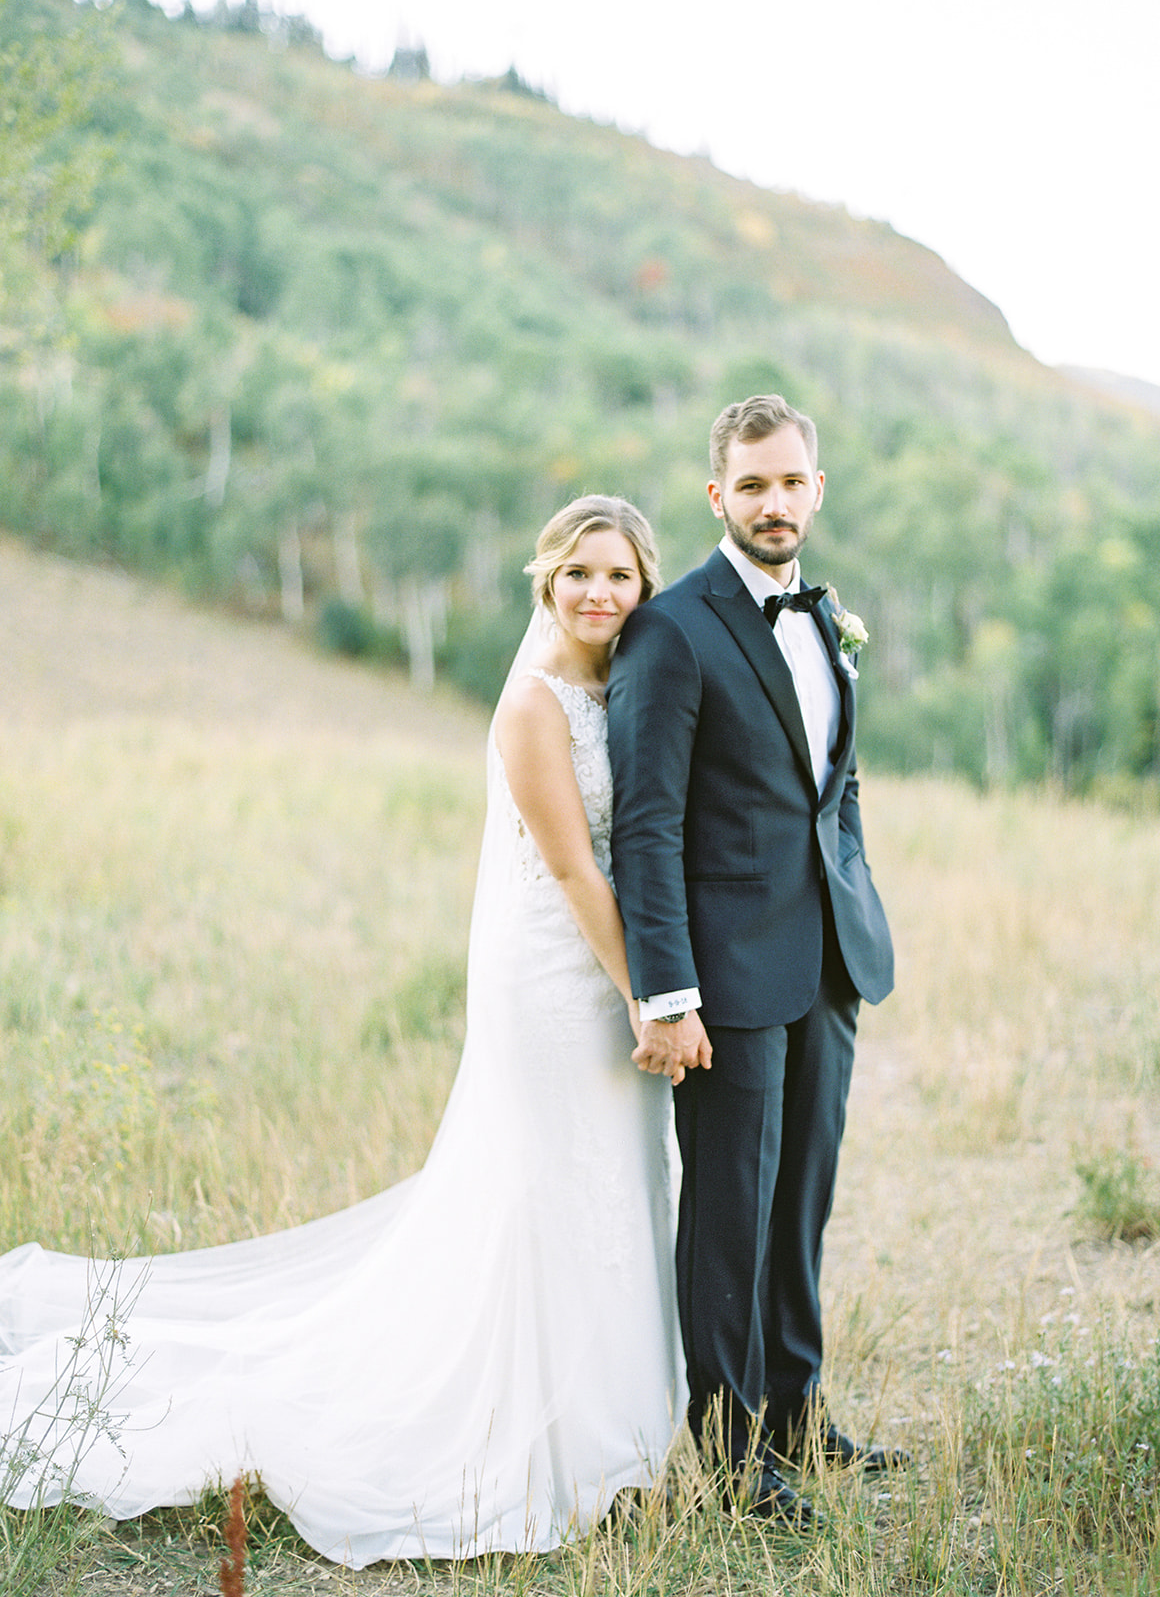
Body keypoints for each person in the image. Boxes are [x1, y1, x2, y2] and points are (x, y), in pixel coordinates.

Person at [0, 497, 684, 1569]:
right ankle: (536, 1438)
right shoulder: (531, 707)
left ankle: (620, 1428)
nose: (599, 593)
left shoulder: (621, 681)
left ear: (645, 586)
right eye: (578, 574)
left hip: (607, 973)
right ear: (544, 580)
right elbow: (568, 868)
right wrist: (652, 994)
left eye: (619, 577)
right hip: (554, 981)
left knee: (617, 1175)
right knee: (547, 1186)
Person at [607, 395, 904, 1526]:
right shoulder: (673, 629)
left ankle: (794, 1414)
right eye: (751, 485)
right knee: (730, 1209)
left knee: (801, 1198)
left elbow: (838, 782)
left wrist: (855, 892)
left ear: (814, 489)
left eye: (790, 483)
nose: (772, 503)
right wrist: (667, 990)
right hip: (723, 979)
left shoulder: (825, 620)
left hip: (827, 964)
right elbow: (646, 825)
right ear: (715, 495)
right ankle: (731, 1461)